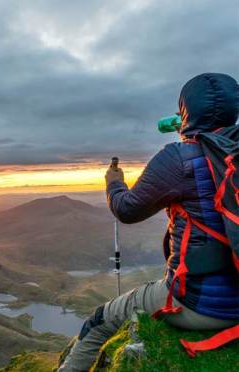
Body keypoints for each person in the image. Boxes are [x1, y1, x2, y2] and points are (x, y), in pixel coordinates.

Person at [58, 73, 239, 372]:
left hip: (201, 304)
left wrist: (114, 183)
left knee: (100, 319)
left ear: (186, 111)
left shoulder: (178, 158)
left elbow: (127, 210)